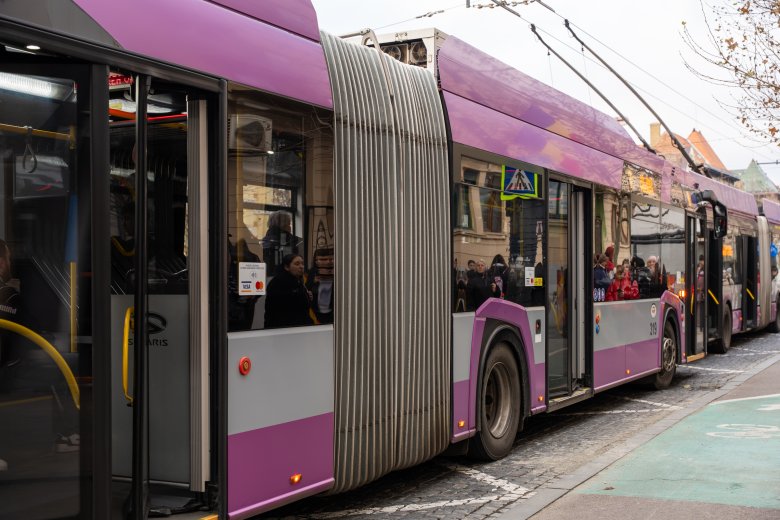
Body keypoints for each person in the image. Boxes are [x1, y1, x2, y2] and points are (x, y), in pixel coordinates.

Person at [264, 254, 313, 329]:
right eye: (297, 264)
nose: (301, 266)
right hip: (285, 329)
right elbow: (283, 309)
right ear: (287, 267)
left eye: (302, 264)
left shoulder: (298, 280)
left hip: (299, 327)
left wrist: (307, 297)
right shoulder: (278, 283)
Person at [262, 211, 302, 277]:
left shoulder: (265, 240)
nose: (290, 227)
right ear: (283, 225)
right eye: (289, 224)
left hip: (269, 276)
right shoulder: (294, 241)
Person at [306, 247, 334, 324]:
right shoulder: (313, 271)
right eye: (316, 259)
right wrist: (314, 281)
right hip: (317, 308)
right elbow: (307, 287)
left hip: (333, 308)